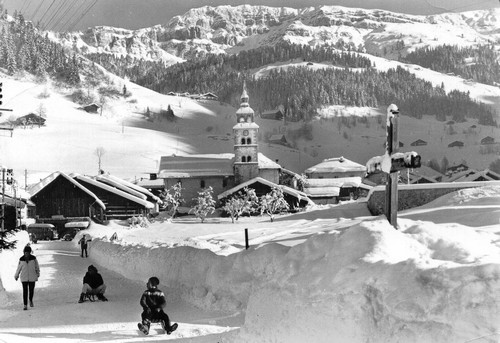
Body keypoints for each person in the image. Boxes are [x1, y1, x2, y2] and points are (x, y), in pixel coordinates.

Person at [14, 245, 40, 310]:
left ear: (30, 252)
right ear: (24, 252)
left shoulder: (33, 258)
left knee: (31, 290)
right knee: (25, 291)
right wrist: (16, 275)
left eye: (27, 252)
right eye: (25, 252)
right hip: (24, 277)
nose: (26, 254)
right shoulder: (21, 259)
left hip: (32, 277)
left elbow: (37, 267)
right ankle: (25, 305)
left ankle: (30, 300)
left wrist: (37, 273)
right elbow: (18, 268)